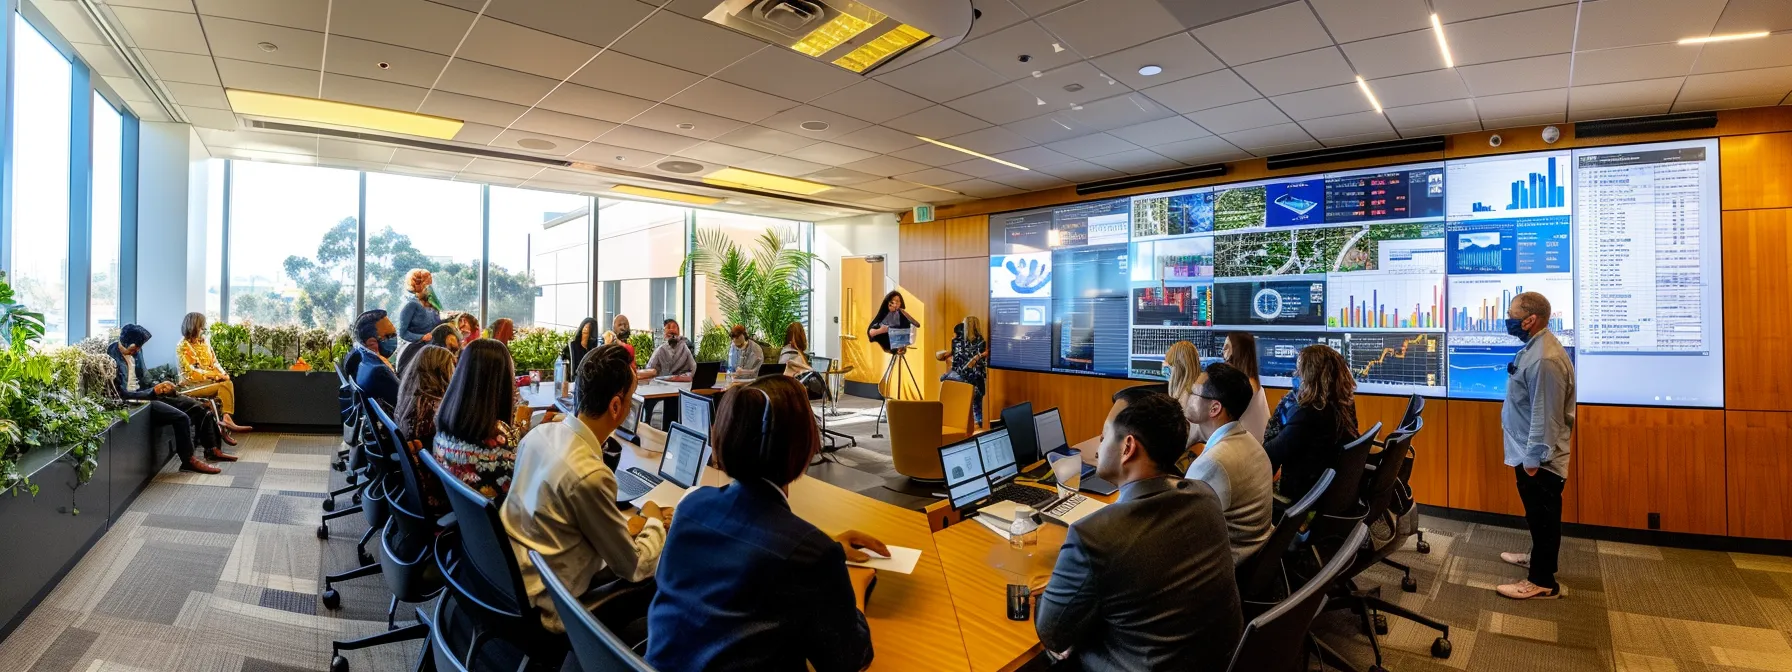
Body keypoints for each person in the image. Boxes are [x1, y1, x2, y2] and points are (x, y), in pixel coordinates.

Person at [647, 376, 882, 672]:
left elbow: (751, 543)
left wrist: (823, 543)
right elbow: (850, 660)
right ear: (802, 443)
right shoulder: (812, 556)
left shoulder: (690, 507)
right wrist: (854, 587)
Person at [1036, 388, 1241, 672]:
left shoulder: (1094, 535)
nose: (1099, 442)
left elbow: (1053, 633)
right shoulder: (1204, 496)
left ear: (1128, 447)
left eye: (1105, 434)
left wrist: (1044, 594)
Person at [505, 343, 669, 632]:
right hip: (553, 605)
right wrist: (654, 519)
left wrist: (629, 525)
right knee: (665, 568)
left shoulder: (539, 435)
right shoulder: (590, 475)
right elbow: (634, 567)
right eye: (630, 399)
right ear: (616, 406)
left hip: (517, 579)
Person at [1498, 291, 1576, 601]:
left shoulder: (1545, 359)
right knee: (1537, 516)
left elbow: (1546, 417)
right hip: (1528, 454)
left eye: (1511, 314)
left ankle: (1542, 581)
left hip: (1539, 460)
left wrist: (1533, 460)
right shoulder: (1536, 348)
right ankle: (1537, 557)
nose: (1508, 320)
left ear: (1530, 320)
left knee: (1544, 517)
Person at [108, 324, 232, 474]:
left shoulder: (135, 351)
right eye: (135, 348)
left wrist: (160, 386)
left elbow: (145, 377)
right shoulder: (111, 357)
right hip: (137, 401)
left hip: (147, 393)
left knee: (199, 407)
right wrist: (153, 391)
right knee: (181, 417)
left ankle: (212, 449)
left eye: (139, 348)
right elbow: (122, 394)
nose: (138, 351)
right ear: (126, 343)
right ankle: (188, 460)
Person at [1183, 363, 1273, 564]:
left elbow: (1182, 533)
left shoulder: (1212, 464)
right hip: (1254, 559)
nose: (1187, 396)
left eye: (1193, 392)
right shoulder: (1250, 442)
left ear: (1215, 408)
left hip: (1222, 569)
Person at [1262, 344, 1359, 501]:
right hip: (1332, 490)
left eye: (1299, 371)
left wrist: (1280, 414)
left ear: (1309, 376)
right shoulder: (1344, 403)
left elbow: (1267, 456)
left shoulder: (1307, 414)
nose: (1296, 374)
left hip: (1304, 497)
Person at [433, 339, 523, 500]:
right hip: (497, 519)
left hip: (462, 512)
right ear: (501, 380)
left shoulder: (446, 418)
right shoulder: (498, 436)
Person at [396, 344, 456, 514]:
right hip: (436, 489)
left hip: (415, 486)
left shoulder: (412, 399)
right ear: (441, 372)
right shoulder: (434, 411)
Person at [174, 312, 251, 434]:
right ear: (193, 326)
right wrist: (216, 376)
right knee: (225, 385)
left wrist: (223, 374)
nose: (203, 329)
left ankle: (225, 423)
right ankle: (226, 423)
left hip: (207, 383)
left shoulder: (204, 342)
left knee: (227, 382)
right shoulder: (183, 346)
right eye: (201, 326)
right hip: (190, 386)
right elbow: (193, 372)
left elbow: (215, 362)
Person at [936, 317, 988, 426]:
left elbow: (956, 364)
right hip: (978, 380)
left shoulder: (957, 342)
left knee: (943, 378)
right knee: (977, 404)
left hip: (963, 378)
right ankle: (979, 424)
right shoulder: (982, 341)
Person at [1223, 332, 1270, 442]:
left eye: (1227, 347)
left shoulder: (1245, 385)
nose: (1223, 352)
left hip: (1246, 445)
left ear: (1237, 351)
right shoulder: (1252, 382)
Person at [353, 309, 401, 407]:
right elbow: (408, 403)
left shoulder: (365, 362)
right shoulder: (381, 372)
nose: (395, 338)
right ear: (372, 343)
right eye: (390, 336)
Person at [395, 268, 443, 364]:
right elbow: (402, 332)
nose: (430, 288)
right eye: (427, 285)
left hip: (431, 351)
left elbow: (436, 323)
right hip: (413, 354)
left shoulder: (431, 303)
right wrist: (421, 337)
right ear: (418, 286)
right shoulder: (410, 305)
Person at [1163, 340, 1204, 448]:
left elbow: (1183, 441)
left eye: (1168, 364)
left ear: (1177, 367)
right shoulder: (1194, 391)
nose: (1164, 366)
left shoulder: (1189, 399)